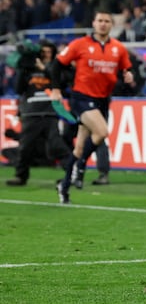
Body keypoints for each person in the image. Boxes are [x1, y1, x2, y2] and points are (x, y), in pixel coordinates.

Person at [51, 10, 135, 203]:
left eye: (107, 21)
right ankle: (80, 166)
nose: (103, 24)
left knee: (80, 146)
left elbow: (126, 69)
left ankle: (64, 187)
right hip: (81, 97)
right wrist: (56, 89)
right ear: (94, 23)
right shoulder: (80, 44)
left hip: (103, 100)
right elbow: (57, 64)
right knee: (102, 131)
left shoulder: (118, 48)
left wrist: (128, 75)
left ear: (111, 25)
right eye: (100, 21)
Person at [6, 40, 72, 186]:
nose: (47, 55)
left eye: (50, 52)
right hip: (31, 113)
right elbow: (18, 89)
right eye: (44, 52)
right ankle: (20, 176)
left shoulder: (56, 67)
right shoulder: (28, 69)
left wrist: (46, 69)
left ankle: (71, 175)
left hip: (50, 112)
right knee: (25, 148)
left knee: (56, 146)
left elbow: (62, 82)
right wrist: (23, 70)